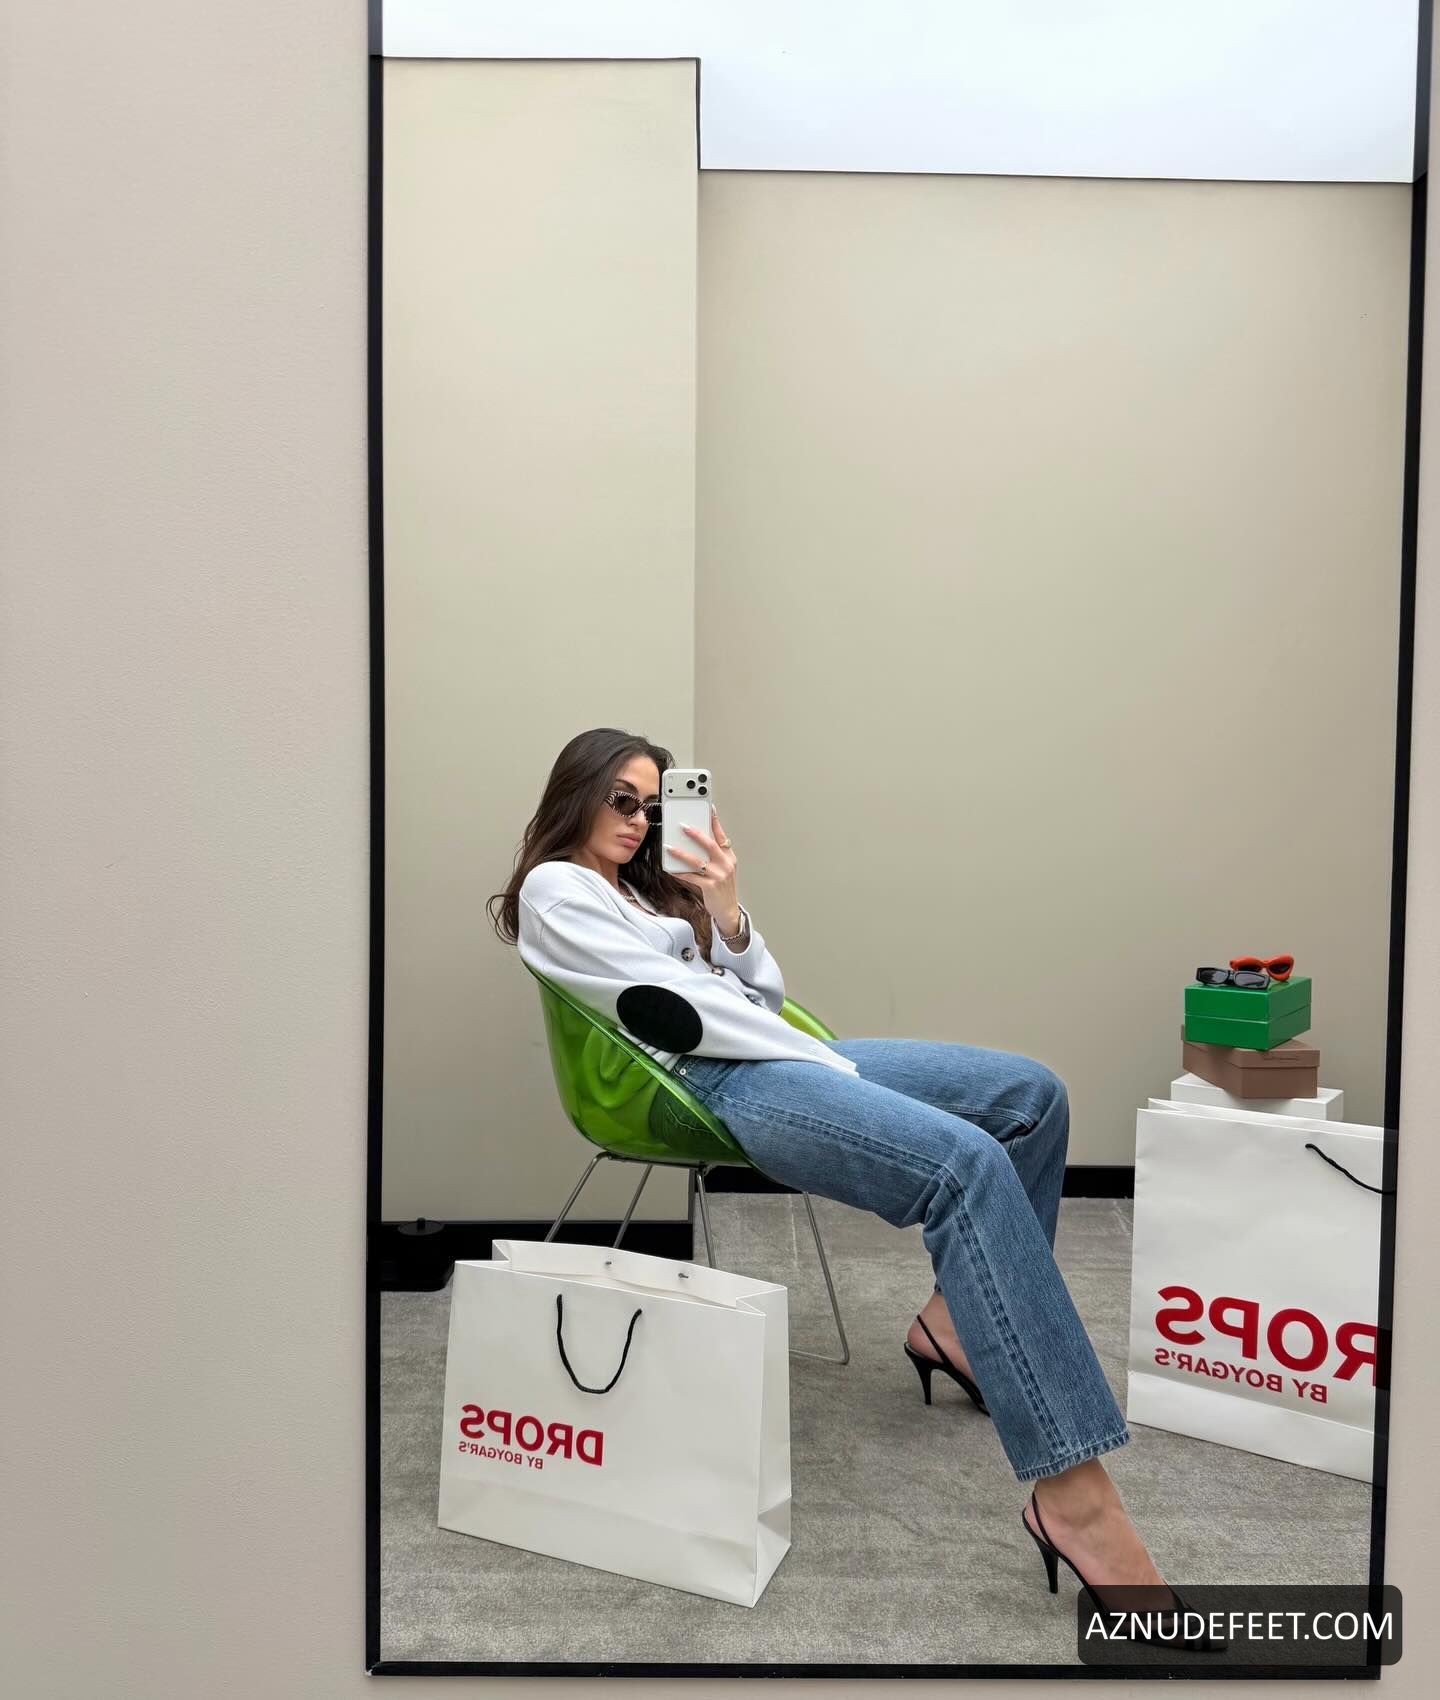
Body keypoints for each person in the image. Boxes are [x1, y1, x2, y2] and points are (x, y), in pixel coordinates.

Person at [487, 727, 1180, 1614]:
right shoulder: (558, 888)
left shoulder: (645, 891)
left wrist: (725, 911)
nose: (638, 819)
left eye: (653, 807)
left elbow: (760, 993)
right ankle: (1074, 1501)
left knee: (1031, 1096)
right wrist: (820, 1066)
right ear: (577, 793)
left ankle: (952, 1329)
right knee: (964, 1164)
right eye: (621, 799)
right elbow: (680, 1014)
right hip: (708, 1081)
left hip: (772, 1051)